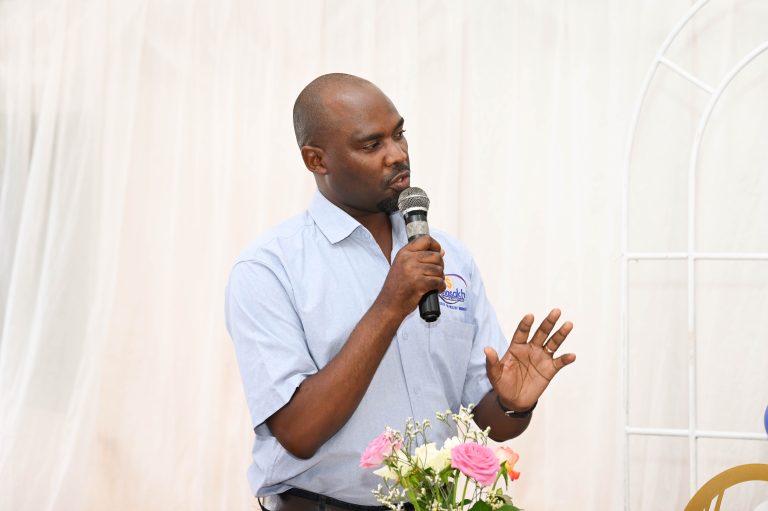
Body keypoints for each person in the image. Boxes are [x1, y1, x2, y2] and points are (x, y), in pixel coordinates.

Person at [225, 73, 576, 511]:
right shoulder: (269, 269)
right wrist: (390, 304)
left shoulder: (450, 257)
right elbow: (298, 433)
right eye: (372, 144)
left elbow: (486, 421)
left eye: (399, 134)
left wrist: (511, 404)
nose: (397, 154)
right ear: (317, 160)